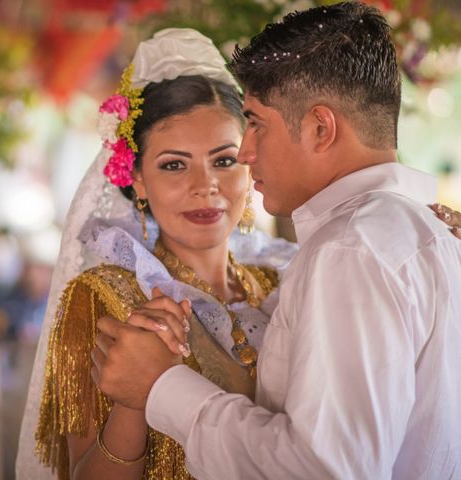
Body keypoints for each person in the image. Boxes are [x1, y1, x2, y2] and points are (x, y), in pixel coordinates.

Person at [92, 2, 461, 479]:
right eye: (174, 164)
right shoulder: (425, 236)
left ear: (320, 128)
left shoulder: (352, 250)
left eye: (256, 123)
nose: (246, 152)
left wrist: (161, 386)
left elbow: (323, 469)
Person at [16, 28, 299, 480]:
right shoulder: (105, 299)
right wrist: (135, 400)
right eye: (173, 164)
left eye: (224, 160)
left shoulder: (282, 283)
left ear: (251, 164)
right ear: (140, 181)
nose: (205, 185)